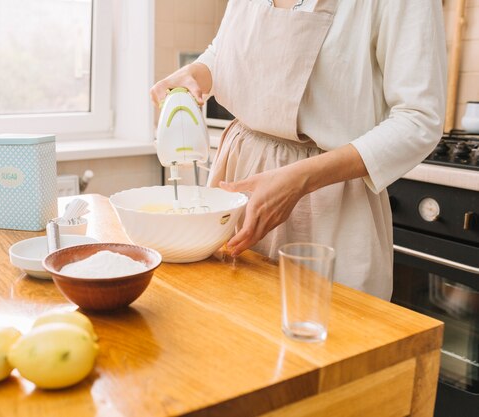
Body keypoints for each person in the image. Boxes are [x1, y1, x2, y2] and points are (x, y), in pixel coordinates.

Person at [150, 0, 446, 300]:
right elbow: (225, 50)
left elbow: (419, 120)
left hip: (329, 204)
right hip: (239, 183)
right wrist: (196, 72)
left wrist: (300, 180)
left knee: (325, 333)